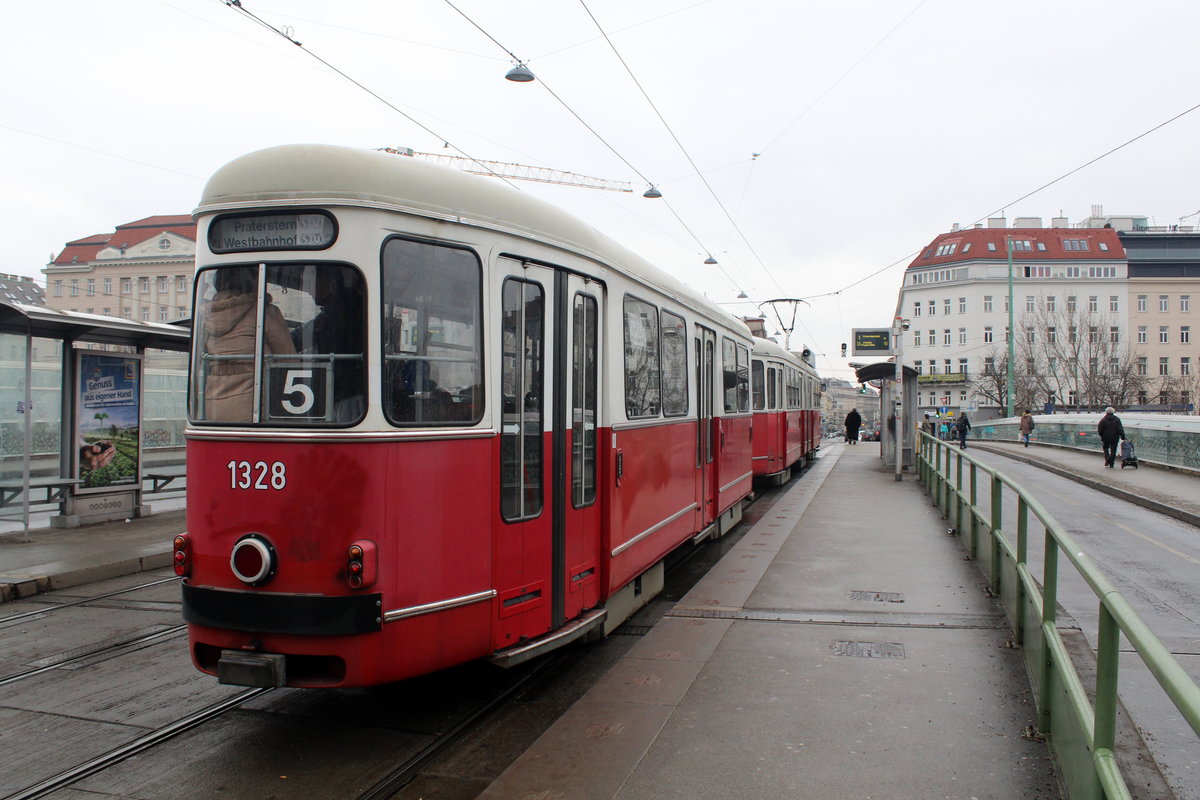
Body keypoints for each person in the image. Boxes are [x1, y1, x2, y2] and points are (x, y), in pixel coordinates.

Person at [202, 269, 295, 422]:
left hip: (214, 403)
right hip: (255, 402)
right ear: (253, 284)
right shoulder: (265, 312)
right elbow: (288, 359)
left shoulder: (207, 317)